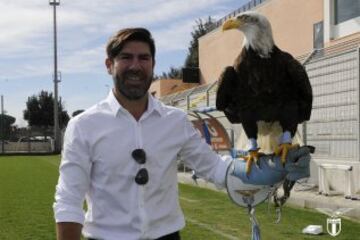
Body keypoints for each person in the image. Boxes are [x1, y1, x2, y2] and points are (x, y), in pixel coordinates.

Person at [53, 27, 311, 240]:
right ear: (109, 65)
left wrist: (273, 168)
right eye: (125, 57)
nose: (135, 65)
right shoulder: (84, 125)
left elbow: (215, 169)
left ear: (153, 65)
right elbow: (68, 200)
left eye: (144, 58)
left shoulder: (174, 120)